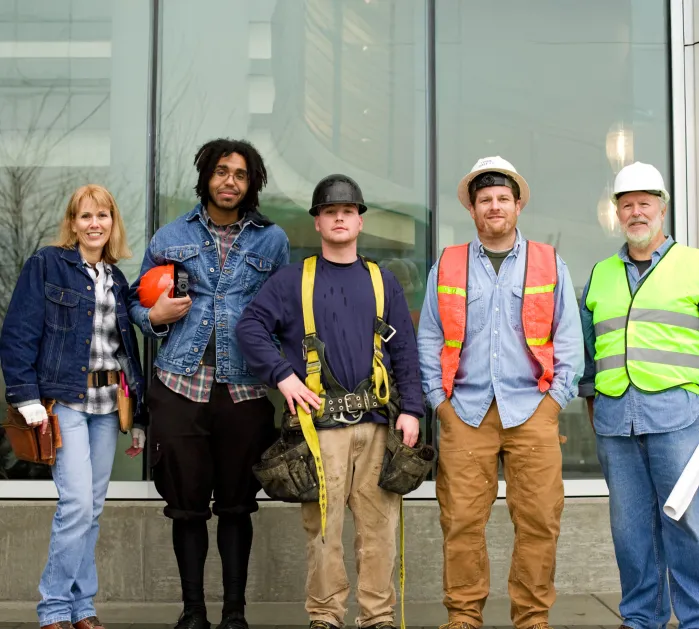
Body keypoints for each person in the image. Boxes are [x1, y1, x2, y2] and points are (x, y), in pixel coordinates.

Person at [236, 174, 425, 629]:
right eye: (330, 212)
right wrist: (283, 377)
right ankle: (325, 618)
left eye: (348, 211)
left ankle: (377, 618)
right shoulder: (289, 282)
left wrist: (414, 411)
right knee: (323, 534)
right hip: (319, 429)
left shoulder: (384, 282)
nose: (339, 217)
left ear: (360, 221)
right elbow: (250, 328)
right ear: (318, 223)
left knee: (378, 531)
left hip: (379, 426)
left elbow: (404, 352)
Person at [128, 138, 289, 629]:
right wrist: (153, 315)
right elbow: (136, 302)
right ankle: (194, 612)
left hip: (244, 391)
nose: (230, 182)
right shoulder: (170, 235)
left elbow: (285, 313)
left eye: (240, 174)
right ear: (206, 176)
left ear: (251, 183)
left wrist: (287, 375)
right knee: (186, 507)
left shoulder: (272, 240)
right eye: (222, 172)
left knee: (238, 506)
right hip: (179, 386)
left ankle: (234, 615)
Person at [417, 157, 584, 629]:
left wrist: (554, 405)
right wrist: (440, 406)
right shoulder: (447, 264)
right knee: (462, 524)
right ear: (472, 209)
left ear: (517, 206)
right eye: (485, 199)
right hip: (465, 412)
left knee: (538, 523)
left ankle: (532, 618)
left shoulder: (550, 263)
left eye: (503, 199)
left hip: (533, 410)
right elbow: (429, 338)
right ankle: (464, 617)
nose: (494, 206)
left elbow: (570, 341)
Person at [0, 184, 146, 629]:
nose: (95, 224)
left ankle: (83, 608)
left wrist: (138, 416)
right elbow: (18, 333)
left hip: (107, 405)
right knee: (78, 503)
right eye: (86, 216)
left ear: (112, 223)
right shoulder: (46, 265)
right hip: (64, 400)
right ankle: (54, 609)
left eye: (103, 215)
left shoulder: (117, 280)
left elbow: (128, 352)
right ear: (73, 223)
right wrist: (26, 396)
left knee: (92, 508)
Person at [579, 161, 699, 629]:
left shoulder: (692, 265)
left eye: (644, 203)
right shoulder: (601, 274)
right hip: (615, 423)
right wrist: (592, 404)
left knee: (686, 527)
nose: (636, 212)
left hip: (679, 419)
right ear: (617, 212)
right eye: (627, 204)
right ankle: (640, 619)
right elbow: (589, 354)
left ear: (662, 210)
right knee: (630, 534)